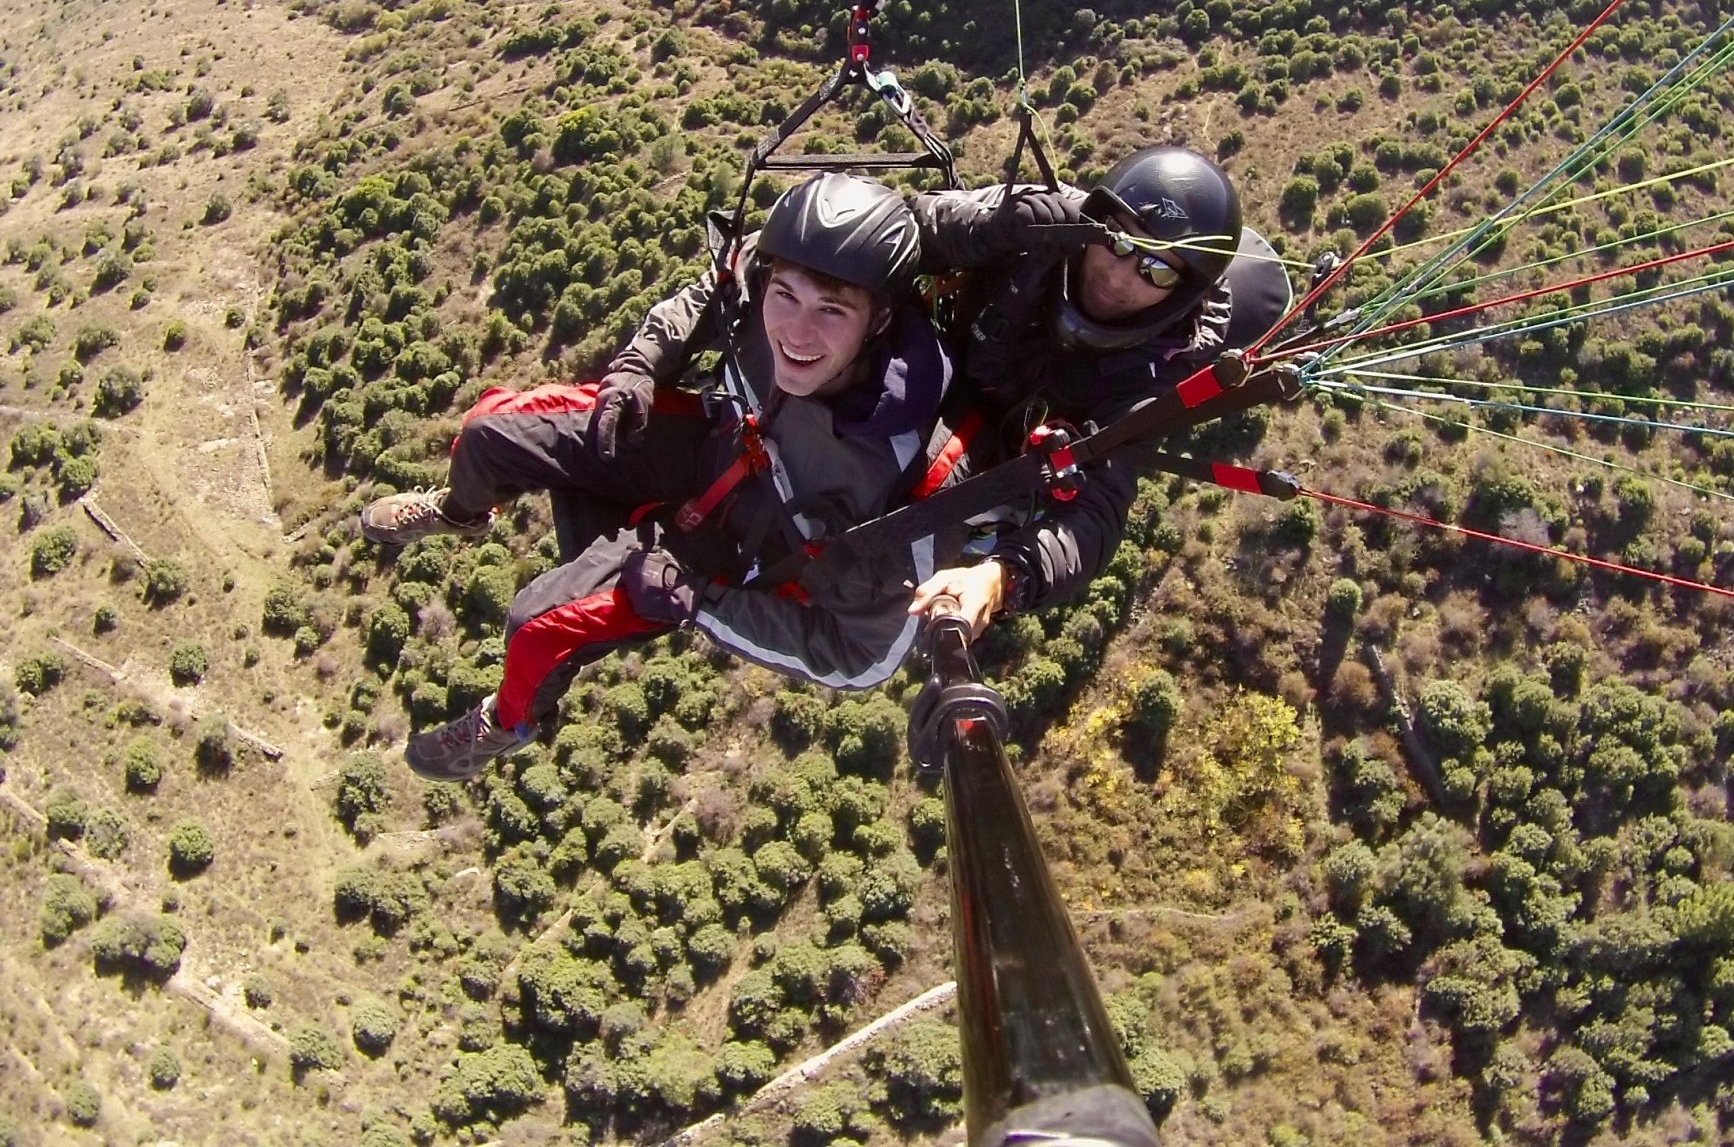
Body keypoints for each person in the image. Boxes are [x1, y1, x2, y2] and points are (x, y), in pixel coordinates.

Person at [358, 173, 969, 781]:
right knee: (489, 430)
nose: (796, 334)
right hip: (704, 442)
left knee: (537, 627)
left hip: (731, 552)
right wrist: (639, 364)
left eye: (831, 312)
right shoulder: (767, 275)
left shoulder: (905, 468)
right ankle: (460, 512)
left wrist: (700, 603)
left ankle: (508, 722)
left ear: (880, 320)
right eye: (785, 297)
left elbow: (859, 658)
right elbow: (709, 293)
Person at [902, 144, 1242, 638]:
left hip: (997, 464)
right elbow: (906, 225)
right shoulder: (1043, 223)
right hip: (946, 377)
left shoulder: (1155, 368)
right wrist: (987, 231)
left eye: (1158, 271)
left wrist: (1001, 577)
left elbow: (1097, 514)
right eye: (1121, 241)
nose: (1120, 277)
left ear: (1183, 293)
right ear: (1096, 220)